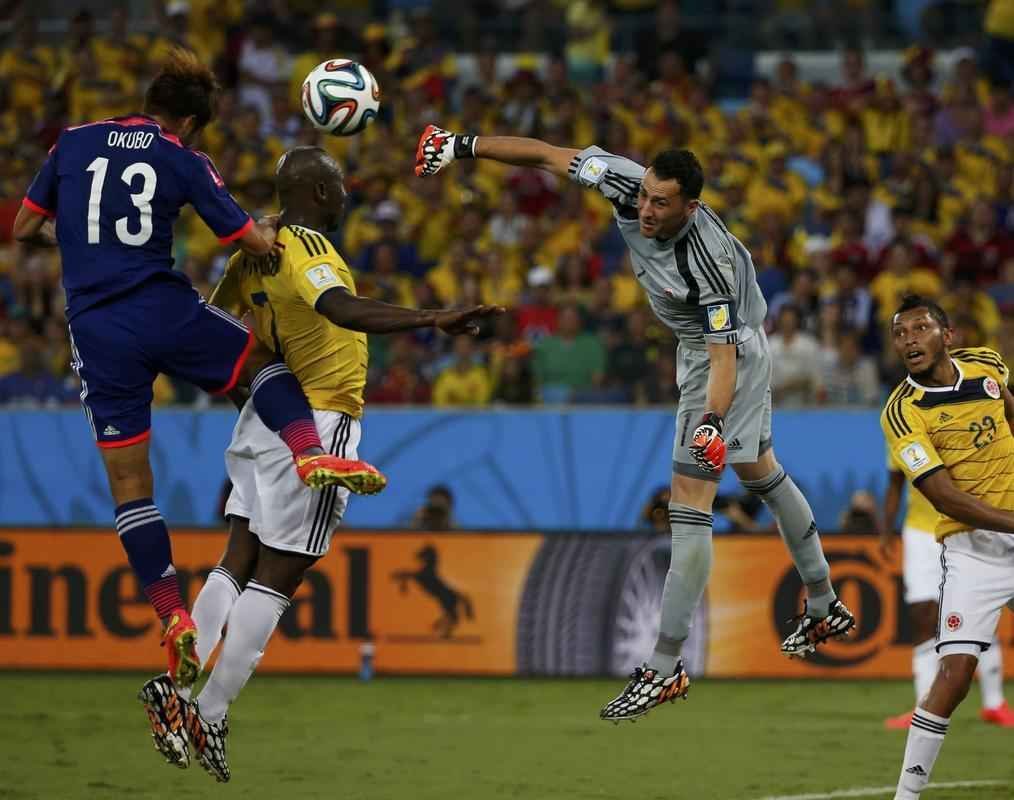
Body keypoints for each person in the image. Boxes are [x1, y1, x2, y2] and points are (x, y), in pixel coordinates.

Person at [415, 124, 855, 722]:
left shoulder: (711, 261)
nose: (645, 209)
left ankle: (665, 665)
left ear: (691, 207)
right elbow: (548, 155)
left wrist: (710, 423)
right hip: (709, 349)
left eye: (661, 202)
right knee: (760, 472)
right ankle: (825, 601)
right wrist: (462, 145)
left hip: (722, 358)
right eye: (645, 195)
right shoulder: (625, 184)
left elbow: (724, 356)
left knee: (689, 503)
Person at [12, 51, 382, 694]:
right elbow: (247, 239)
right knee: (258, 362)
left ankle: (172, 616)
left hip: (96, 330)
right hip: (160, 305)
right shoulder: (181, 156)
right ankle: (307, 452)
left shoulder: (69, 144)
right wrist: (266, 230)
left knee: (130, 485)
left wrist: (81, 240)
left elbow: (25, 227)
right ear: (189, 120)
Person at [140, 146, 502, 781]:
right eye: (336, 185)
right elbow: (338, 307)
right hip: (319, 419)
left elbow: (220, 327)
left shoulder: (246, 254)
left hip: (264, 415)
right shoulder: (301, 246)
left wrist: (243, 394)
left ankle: (175, 692)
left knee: (238, 557)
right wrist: (432, 318)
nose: (346, 194)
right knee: (284, 571)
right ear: (315, 193)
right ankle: (210, 711)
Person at [880, 295, 1014, 799]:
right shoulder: (900, 412)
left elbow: (1010, 410)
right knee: (955, 676)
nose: (909, 339)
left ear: (948, 335)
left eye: (920, 328)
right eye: (899, 332)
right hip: (973, 551)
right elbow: (944, 496)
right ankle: (906, 795)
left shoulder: (988, 365)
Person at [881, 451, 1014, 730]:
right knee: (922, 614)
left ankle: (994, 703)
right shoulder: (905, 419)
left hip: (968, 528)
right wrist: (885, 531)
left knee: (980, 612)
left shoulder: (970, 416)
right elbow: (895, 483)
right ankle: (923, 705)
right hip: (920, 533)